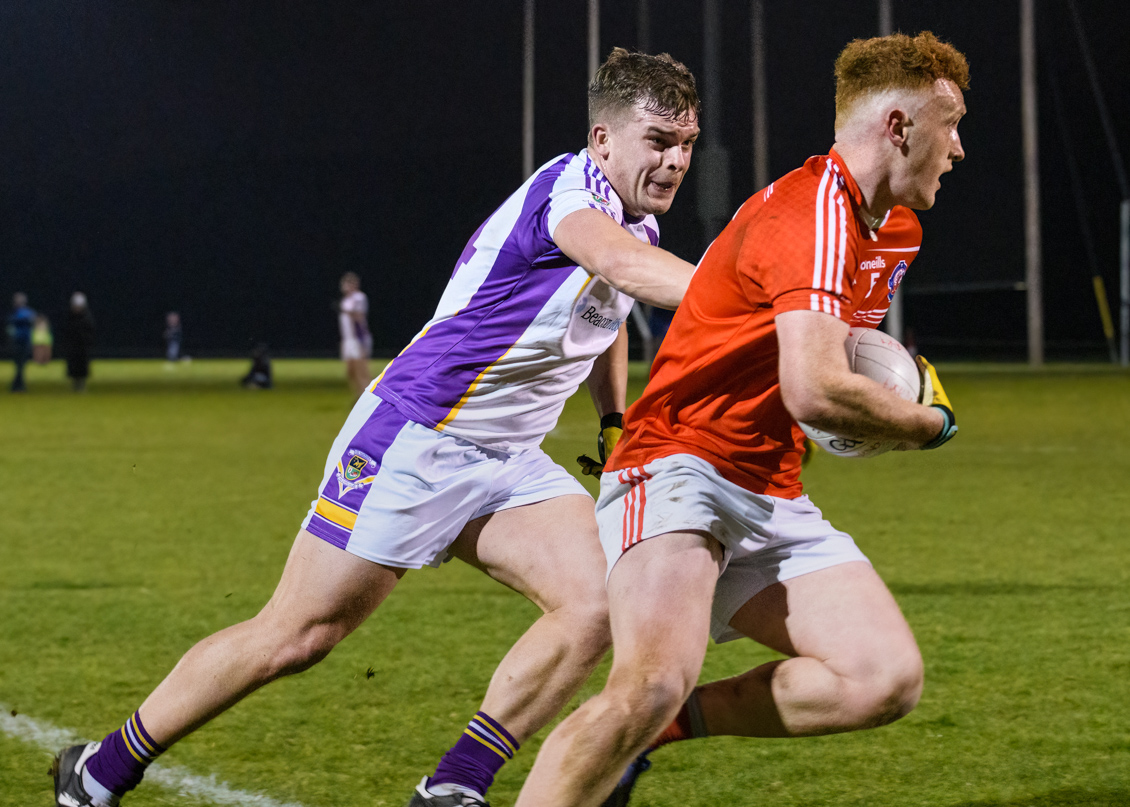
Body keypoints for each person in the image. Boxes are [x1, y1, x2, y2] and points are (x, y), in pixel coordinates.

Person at [52, 47, 701, 807]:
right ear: (603, 140)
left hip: (506, 460)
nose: (677, 160)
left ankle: (453, 784)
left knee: (597, 601)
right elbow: (618, 268)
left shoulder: (634, 225)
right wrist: (755, 300)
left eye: (687, 142)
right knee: (297, 635)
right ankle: (99, 771)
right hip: (417, 437)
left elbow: (608, 309)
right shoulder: (570, 198)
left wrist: (615, 416)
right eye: (659, 140)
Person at [515, 31, 967, 807]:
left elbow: (812, 377)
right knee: (648, 681)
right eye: (949, 123)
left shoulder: (894, 229)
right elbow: (817, 387)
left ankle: (651, 735)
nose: (956, 148)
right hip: (678, 464)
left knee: (881, 675)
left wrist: (838, 422)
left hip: (766, 486)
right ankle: (627, 728)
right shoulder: (811, 210)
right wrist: (923, 422)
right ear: (898, 127)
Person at [339, 272, 373, 397]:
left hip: (357, 338)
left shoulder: (359, 297)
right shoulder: (346, 300)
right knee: (350, 371)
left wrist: (362, 340)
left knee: (361, 370)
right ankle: (358, 395)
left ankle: (366, 397)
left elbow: (359, 317)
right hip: (347, 339)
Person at [63, 292, 95, 393]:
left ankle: (81, 385)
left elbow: (90, 331)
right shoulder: (70, 318)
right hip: (73, 347)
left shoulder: (87, 318)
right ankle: (75, 385)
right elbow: (66, 331)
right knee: (73, 366)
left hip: (82, 347)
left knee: (82, 366)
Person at [7, 292, 35, 392]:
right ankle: (18, 384)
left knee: (21, 365)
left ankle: (18, 384)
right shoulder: (17, 313)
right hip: (17, 341)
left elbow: (29, 320)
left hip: (24, 341)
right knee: (19, 365)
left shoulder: (24, 312)